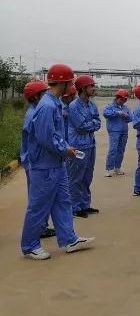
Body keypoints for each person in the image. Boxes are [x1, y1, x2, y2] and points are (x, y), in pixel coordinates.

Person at [21, 63, 94, 260]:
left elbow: (55, 134)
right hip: (44, 165)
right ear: (63, 83)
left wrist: (65, 148)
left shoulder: (53, 103)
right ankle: (30, 246)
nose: (72, 86)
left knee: (63, 201)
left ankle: (69, 239)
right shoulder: (47, 106)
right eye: (70, 82)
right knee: (39, 206)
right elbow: (46, 137)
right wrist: (65, 149)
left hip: (56, 163)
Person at [21, 80, 56, 239]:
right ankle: (38, 231)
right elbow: (43, 139)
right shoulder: (34, 114)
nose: (47, 96)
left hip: (33, 160)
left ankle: (42, 227)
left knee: (39, 198)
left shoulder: (36, 111)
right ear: (35, 97)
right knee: (38, 200)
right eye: (44, 93)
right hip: (34, 161)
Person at [67, 75, 101, 218]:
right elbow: (80, 127)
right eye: (91, 86)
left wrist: (92, 124)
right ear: (83, 88)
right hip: (78, 146)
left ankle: (84, 205)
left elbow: (98, 122)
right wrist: (92, 124)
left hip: (90, 144)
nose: (93, 88)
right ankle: (74, 207)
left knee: (87, 176)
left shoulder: (91, 105)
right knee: (76, 177)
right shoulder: (74, 106)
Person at [103, 89, 132, 177]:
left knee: (121, 150)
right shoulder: (110, 106)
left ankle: (117, 168)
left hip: (124, 131)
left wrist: (127, 116)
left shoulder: (125, 108)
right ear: (117, 98)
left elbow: (131, 118)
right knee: (113, 149)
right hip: (114, 131)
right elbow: (105, 114)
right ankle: (109, 169)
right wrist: (117, 113)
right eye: (122, 99)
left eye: (125, 100)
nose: (123, 101)